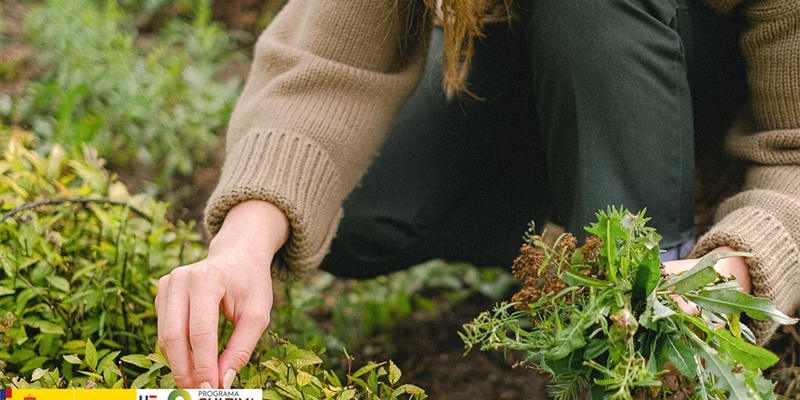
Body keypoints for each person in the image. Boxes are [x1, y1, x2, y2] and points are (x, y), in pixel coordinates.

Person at [155, 0, 800, 389]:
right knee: (362, 202)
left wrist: (733, 269)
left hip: (703, 90)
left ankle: (653, 310)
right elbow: (325, 63)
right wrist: (239, 246)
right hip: (545, 66)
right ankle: (566, 248)